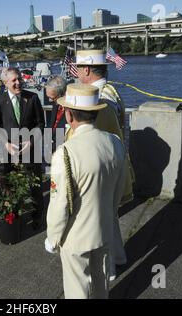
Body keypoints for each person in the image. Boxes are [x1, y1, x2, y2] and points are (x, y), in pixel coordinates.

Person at [45, 84, 126, 299]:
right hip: (104, 227)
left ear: (69, 115)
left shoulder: (65, 153)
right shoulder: (115, 143)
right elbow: (119, 188)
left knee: (76, 290)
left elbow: (59, 205)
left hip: (75, 235)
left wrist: (52, 238)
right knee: (101, 284)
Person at [75, 50, 135, 279]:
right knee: (110, 217)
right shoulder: (112, 91)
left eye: (79, 68)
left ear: (87, 69)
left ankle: (107, 269)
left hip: (99, 167)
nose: (78, 72)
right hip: (114, 161)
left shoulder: (97, 97)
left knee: (99, 222)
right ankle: (119, 256)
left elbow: (90, 138)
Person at [0, 67, 45, 230]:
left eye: (19, 78)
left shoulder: (33, 98)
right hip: (9, 153)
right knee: (10, 186)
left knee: (34, 186)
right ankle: (14, 215)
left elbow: (41, 124)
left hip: (31, 150)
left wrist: (31, 141)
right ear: (5, 82)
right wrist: (5, 144)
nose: (18, 82)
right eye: (14, 80)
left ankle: (37, 216)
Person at [45, 76, 68, 151]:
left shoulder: (71, 110)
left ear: (63, 94)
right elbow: (53, 124)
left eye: (52, 98)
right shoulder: (56, 103)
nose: (50, 100)